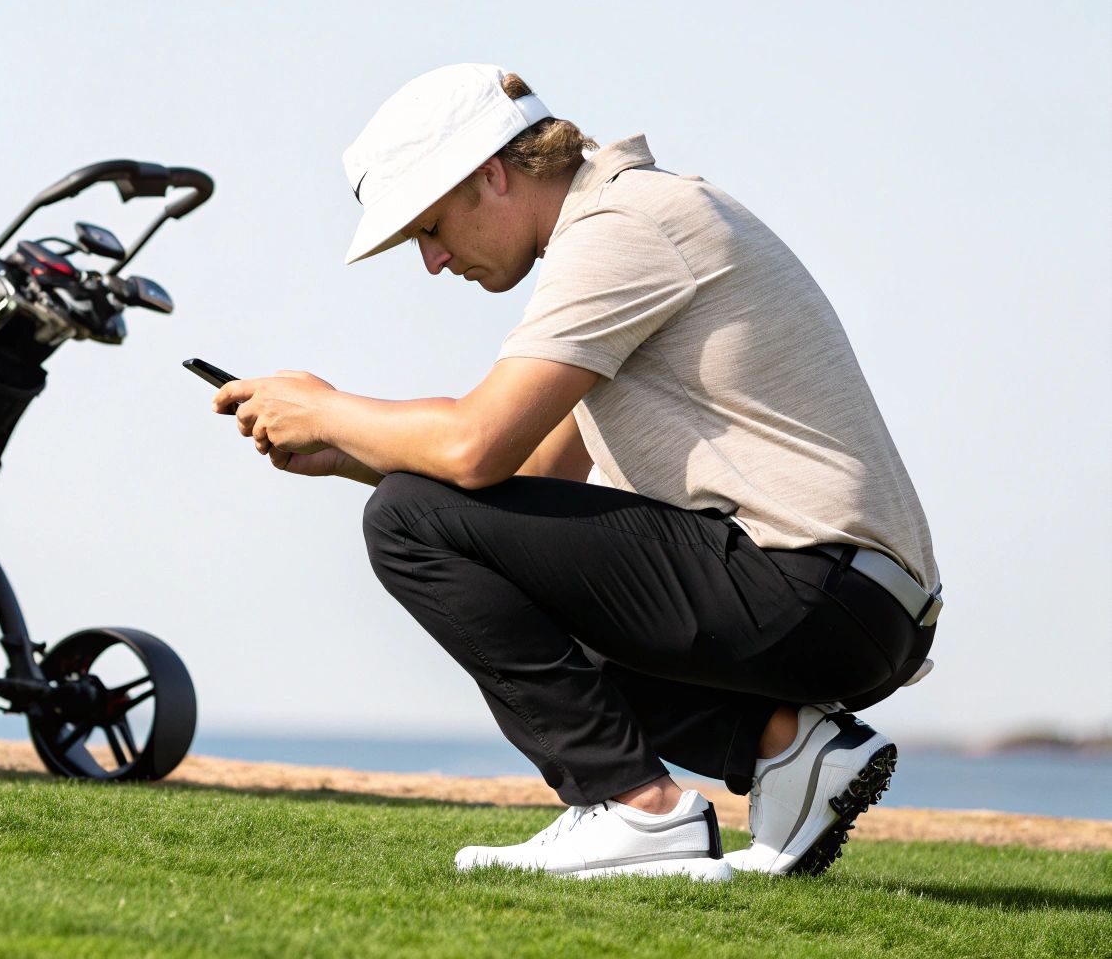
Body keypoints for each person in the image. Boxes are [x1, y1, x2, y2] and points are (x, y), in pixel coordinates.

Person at [211, 64, 942, 882]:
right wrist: (349, 457)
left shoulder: (621, 227)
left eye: (429, 225)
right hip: (852, 602)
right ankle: (787, 744)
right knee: (437, 526)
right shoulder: (628, 215)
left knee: (403, 521)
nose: (432, 259)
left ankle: (636, 809)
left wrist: (327, 405)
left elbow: (472, 449)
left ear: (490, 173)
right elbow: (517, 481)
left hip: (818, 592)